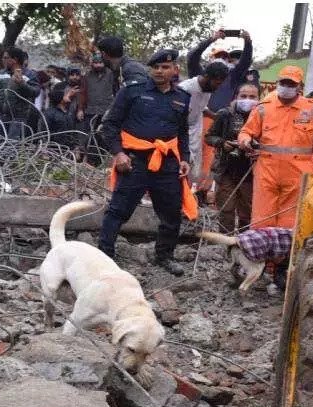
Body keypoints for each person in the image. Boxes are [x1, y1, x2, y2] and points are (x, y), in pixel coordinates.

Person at [99, 49, 196, 276]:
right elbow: (110, 125)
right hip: (135, 161)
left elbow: (182, 132)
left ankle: (164, 256)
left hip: (167, 163)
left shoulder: (182, 97)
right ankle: (104, 256)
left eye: (165, 67)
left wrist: (184, 158)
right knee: (118, 210)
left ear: (175, 70)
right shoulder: (132, 91)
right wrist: (118, 153)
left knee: (171, 213)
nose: (159, 71)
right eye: (156, 67)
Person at [238, 65, 313, 229]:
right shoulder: (263, 107)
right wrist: (245, 141)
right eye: (283, 83)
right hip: (266, 171)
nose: (286, 87)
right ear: (277, 83)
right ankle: (262, 245)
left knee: (290, 222)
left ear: (299, 86)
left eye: (291, 84)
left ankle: (285, 246)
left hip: (298, 173)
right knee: (261, 219)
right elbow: (246, 131)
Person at [187, 30, 254, 201]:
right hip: (197, 120)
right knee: (191, 154)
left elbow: (245, 62)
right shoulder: (201, 75)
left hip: (219, 122)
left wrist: (248, 42)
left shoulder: (230, 78)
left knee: (212, 158)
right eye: (218, 56)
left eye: (225, 57)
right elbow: (193, 56)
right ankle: (185, 190)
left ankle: (202, 192)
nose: (222, 59)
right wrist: (211, 39)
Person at [205, 83, 260, 233]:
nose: (247, 99)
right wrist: (222, 143)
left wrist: (256, 148)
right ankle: (225, 240)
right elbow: (209, 137)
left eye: (252, 97)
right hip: (226, 169)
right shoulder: (225, 114)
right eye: (243, 96)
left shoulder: (263, 115)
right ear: (236, 97)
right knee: (226, 208)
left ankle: (244, 240)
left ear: (259, 98)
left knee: (247, 210)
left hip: (251, 172)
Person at [177, 61, 229, 186]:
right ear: (207, 77)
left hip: (195, 132)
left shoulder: (207, 89)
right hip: (180, 134)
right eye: (217, 83)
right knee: (179, 169)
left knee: (192, 172)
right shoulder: (185, 89)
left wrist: (216, 117)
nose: (218, 87)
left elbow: (201, 108)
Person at [0, 46, 40, 143]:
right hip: (1, 115)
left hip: (19, 118)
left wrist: (22, 83)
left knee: (13, 145)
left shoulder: (30, 75)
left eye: (5, 57)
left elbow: (35, 92)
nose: (3, 60)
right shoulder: (0, 73)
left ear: (14, 59)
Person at [78, 52, 115, 166]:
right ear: (92, 64)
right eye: (96, 63)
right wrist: (80, 109)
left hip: (107, 111)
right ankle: (88, 161)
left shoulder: (111, 74)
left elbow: (117, 91)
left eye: (100, 63)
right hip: (91, 110)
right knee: (89, 137)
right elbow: (82, 93)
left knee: (104, 136)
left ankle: (103, 161)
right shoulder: (87, 76)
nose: (98, 65)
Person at [39, 81, 79, 156]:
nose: (68, 95)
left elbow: (73, 132)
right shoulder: (49, 113)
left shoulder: (68, 113)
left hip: (67, 149)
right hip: (54, 149)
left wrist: (76, 147)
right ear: (60, 99)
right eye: (65, 95)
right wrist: (44, 149)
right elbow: (43, 132)